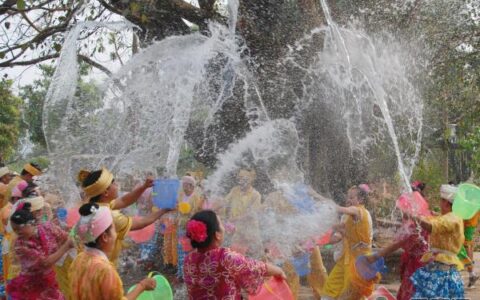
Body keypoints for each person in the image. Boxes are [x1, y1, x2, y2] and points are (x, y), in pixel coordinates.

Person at [183, 210, 286, 299]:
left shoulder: (188, 260)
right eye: (221, 224)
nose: (223, 228)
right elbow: (256, 267)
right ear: (217, 235)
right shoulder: (225, 257)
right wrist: (279, 271)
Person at [78, 168, 170, 266]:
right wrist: (164, 209)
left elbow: (124, 201)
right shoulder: (111, 216)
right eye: (113, 183)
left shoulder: (95, 205)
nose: (117, 185)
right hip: (102, 266)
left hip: (89, 259)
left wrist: (144, 187)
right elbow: (142, 222)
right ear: (105, 193)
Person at [69, 203, 156, 300]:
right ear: (105, 237)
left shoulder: (79, 259)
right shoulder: (105, 270)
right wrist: (142, 286)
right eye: (114, 229)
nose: (116, 233)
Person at [262, 185, 329, 299]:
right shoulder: (272, 197)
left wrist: (314, 195)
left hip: (307, 240)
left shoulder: (302, 193)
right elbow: (265, 215)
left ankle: (325, 297)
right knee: (290, 273)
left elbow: (315, 214)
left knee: (317, 270)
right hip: (288, 242)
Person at [6, 202, 74, 299]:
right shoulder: (21, 245)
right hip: (31, 285)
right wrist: (66, 247)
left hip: (49, 279)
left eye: (19, 229)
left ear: (31, 223)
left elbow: (65, 237)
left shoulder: (48, 228)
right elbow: (45, 263)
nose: (18, 233)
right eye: (15, 230)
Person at [408, 184, 465, 298]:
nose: (440, 204)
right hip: (437, 269)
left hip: (443, 273)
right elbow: (433, 220)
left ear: (447, 203)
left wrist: (415, 217)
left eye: (441, 201)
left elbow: (431, 226)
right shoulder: (447, 216)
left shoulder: (453, 218)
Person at [322, 185, 377, 300]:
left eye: (352, 197)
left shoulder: (359, 211)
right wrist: (320, 241)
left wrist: (325, 203)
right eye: (348, 197)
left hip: (359, 261)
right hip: (346, 259)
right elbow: (337, 236)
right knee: (330, 289)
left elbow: (343, 209)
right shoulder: (347, 218)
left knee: (352, 294)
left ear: (360, 200)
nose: (348, 200)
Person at [221, 169, 262, 256]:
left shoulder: (256, 195)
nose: (240, 181)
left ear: (250, 179)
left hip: (249, 233)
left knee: (249, 259)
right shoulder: (235, 190)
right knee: (234, 258)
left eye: (243, 178)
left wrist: (234, 219)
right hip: (234, 231)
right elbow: (224, 202)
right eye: (239, 178)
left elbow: (251, 214)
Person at [462, 211, 480, 288]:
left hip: (468, 220)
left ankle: (471, 273)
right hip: (471, 220)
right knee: (468, 244)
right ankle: (471, 273)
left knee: (467, 244)